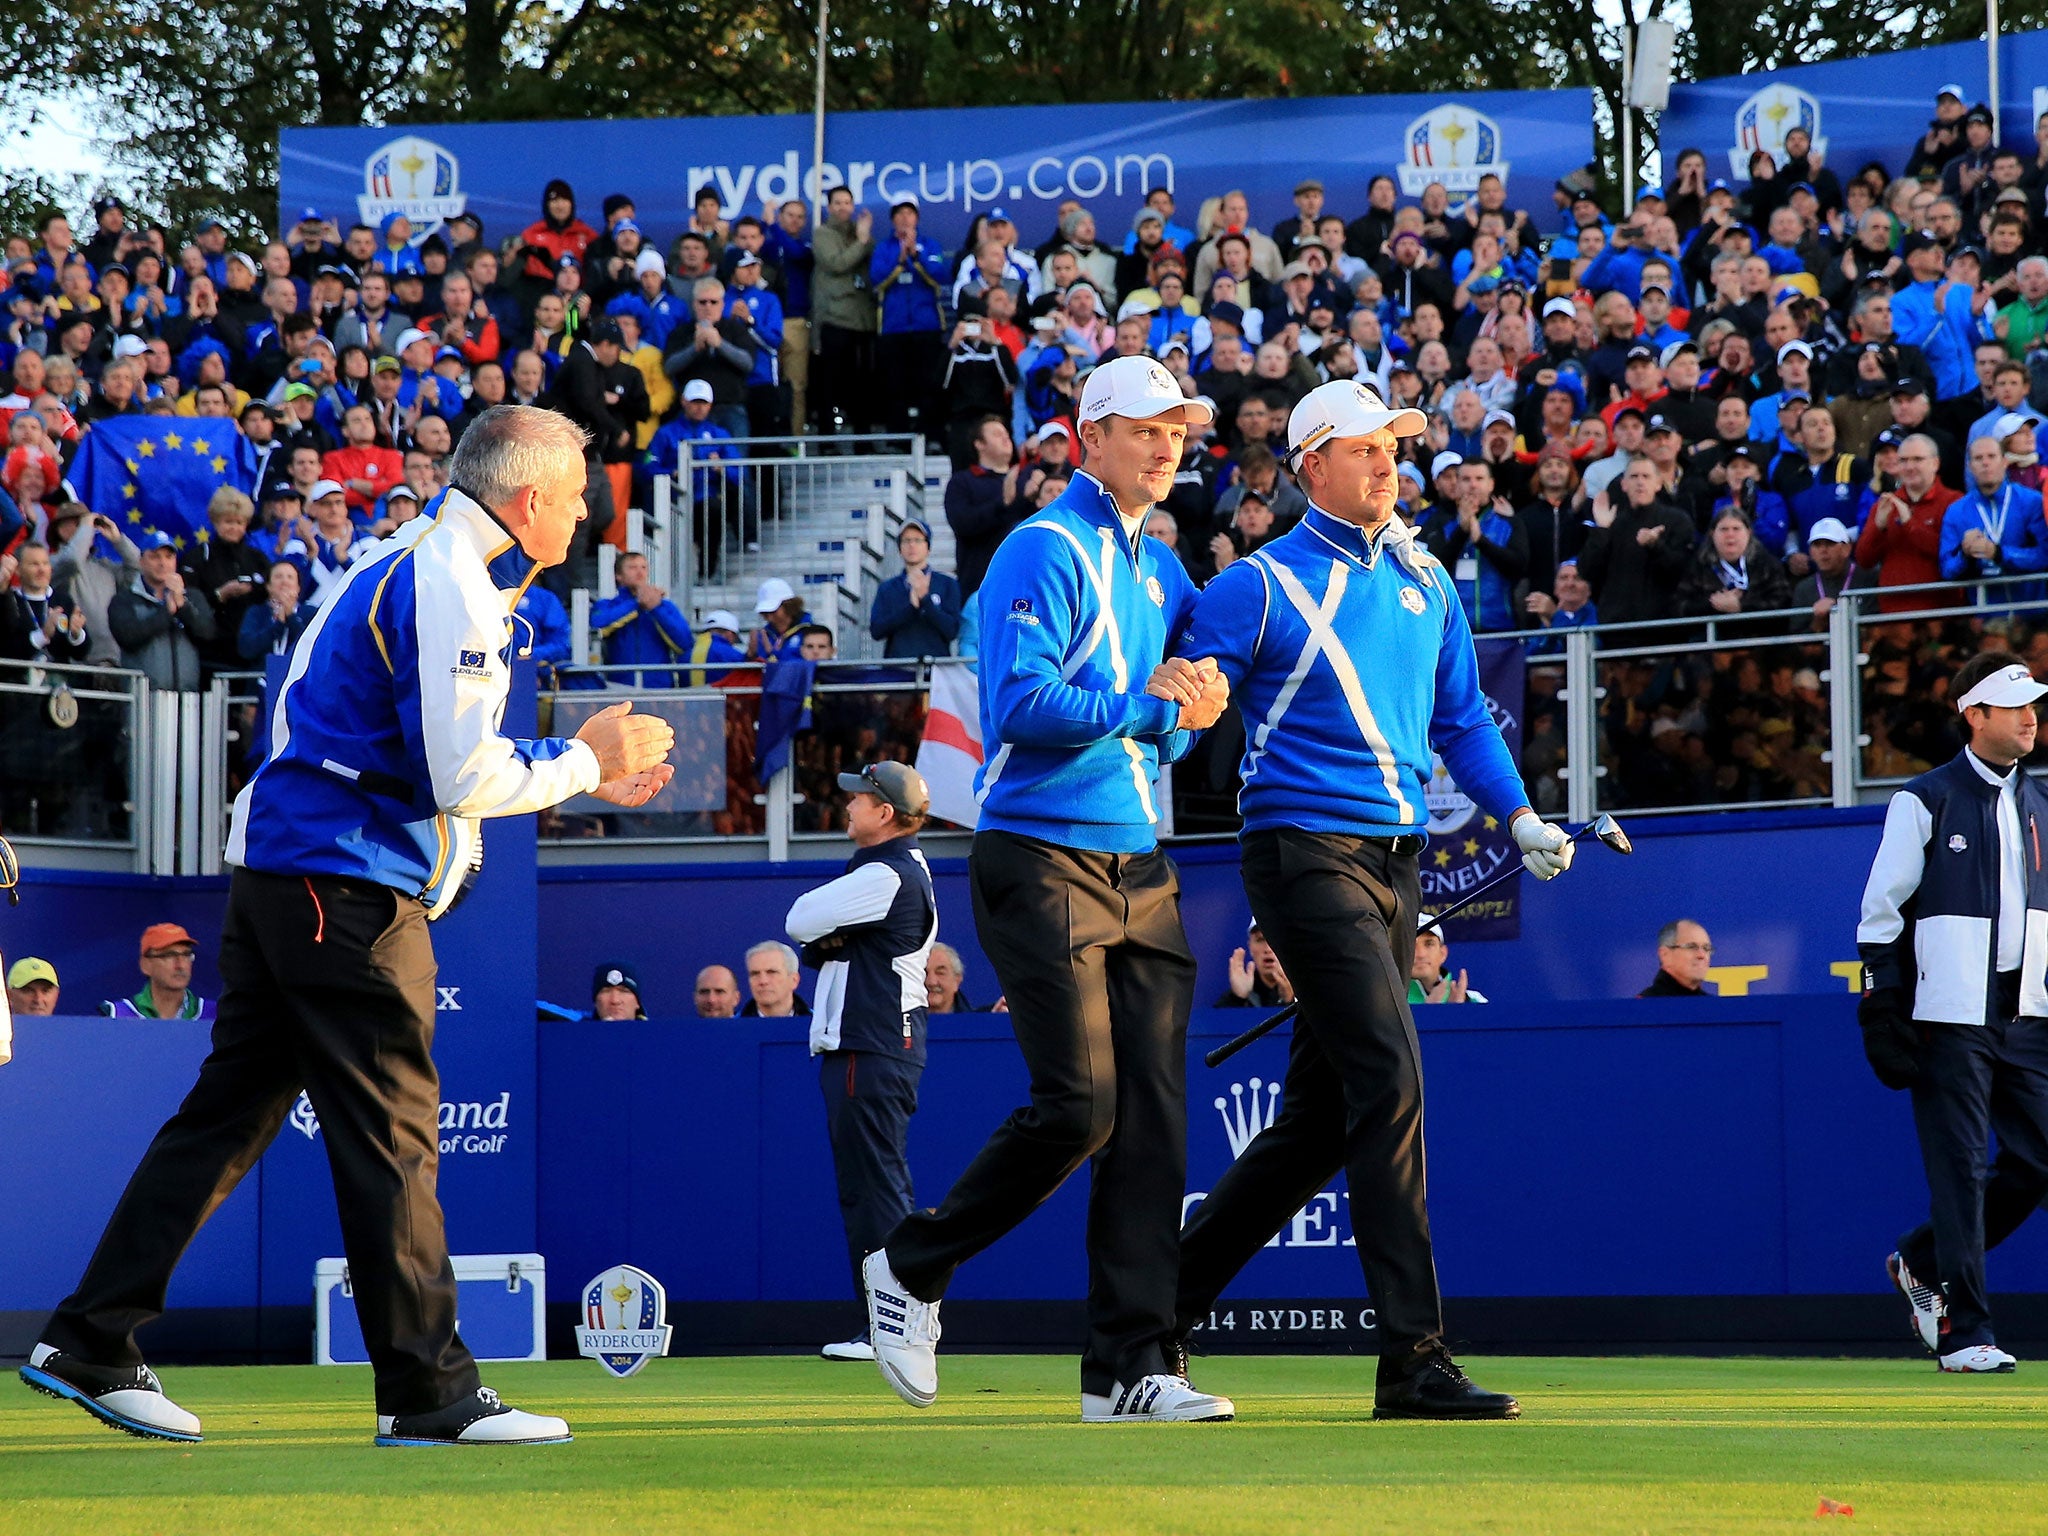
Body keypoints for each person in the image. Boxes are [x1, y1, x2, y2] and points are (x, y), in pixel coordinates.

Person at [22, 406, 676, 1448]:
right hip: (346, 888)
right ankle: (428, 1393)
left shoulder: (401, 554)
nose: (585, 506)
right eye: (574, 488)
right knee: (393, 1140)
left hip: (293, 872)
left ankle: (92, 1338)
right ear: (525, 499)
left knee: (226, 1123)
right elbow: (456, 772)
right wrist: (585, 763)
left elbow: (349, 740)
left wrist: (563, 775)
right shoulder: (453, 579)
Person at [1174, 379, 1566, 1422]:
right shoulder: (1253, 585)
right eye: (1361, 449)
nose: (1387, 463)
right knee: (1389, 1077)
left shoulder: (1425, 575)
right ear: (1308, 466)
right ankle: (1413, 1360)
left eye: (1392, 448)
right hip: (1299, 851)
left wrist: (1519, 816)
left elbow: (1463, 721)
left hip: (1396, 865)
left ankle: (1150, 1307)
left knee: (1313, 1125)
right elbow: (1181, 713)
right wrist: (1164, 713)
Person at [860, 355, 1235, 1424]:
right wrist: (1162, 711)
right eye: (1148, 429)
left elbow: (1206, 665)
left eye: (1179, 431)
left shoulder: (1159, 567)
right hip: (1034, 850)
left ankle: (1127, 1370)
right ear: (1088, 441)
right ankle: (912, 1263)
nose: (1169, 446)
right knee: (1079, 1105)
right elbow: (1021, 703)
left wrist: (1203, 685)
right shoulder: (1039, 546)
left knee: (1153, 1123)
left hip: (1137, 864)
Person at [1858, 653, 2048, 1374]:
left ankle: (1920, 1257)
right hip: (1946, 1017)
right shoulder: (1925, 797)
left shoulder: (2039, 807)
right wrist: (1883, 1004)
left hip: (2024, 1017)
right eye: (2014, 704)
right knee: (1961, 1171)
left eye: (2034, 704)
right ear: (1974, 715)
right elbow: (1881, 912)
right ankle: (1966, 1332)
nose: (2031, 716)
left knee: (2036, 1164)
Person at [784, 761, 938, 1365]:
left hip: (870, 1046)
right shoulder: (899, 866)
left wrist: (829, 935)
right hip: (877, 1047)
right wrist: (829, 936)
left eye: (861, 798)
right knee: (874, 1187)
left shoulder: (887, 870)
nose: (848, 804)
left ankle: (890, 1329)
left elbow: (799, 920)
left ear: (886, 814)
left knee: (875, 1191)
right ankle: (891, 1326)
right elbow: (812, 937)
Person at [109, 532, 215, 692]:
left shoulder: (192, 596)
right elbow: (127, 637)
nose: (162, 563)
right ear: (141, 561)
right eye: (155, 557)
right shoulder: (125, 599)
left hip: (187, 699)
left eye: (168, 557)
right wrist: (166, 612)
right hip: (141, 698)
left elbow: (207, 634)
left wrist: (182, 606)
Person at [869, 519, 963, 660]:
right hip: (897, 670)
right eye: (906, 541)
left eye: (918, 540)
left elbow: (952, 631)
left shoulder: (947, 584)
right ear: (900, 548)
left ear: (928, 547)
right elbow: (876, 631)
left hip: (936, 670)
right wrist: (911, 608)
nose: (912, 545)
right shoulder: (887, 588)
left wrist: (925, 599)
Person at [99, 923, 214, 1021]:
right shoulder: (117, 1015)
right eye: (169, 955)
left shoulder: (215, 1014)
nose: (180, 965)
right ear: (145, 965)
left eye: (186, 955)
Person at [1215, 921, 1293, 1008]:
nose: (1268, 949)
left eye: (1274, 939)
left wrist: (1291, 1000)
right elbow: (1215, 1020)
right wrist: (1238, 999)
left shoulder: (1305, 991)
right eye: (1260, 940)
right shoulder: (1237, 995)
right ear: (1250, 947)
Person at [1409, 926, 1485, 1004]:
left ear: (1443, 953)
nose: (1421, 954)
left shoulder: (1474, 1001)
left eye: (1429, 944)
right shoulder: (1396, 1005)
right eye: (1411, 945)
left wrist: (1457, 1011)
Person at [1639, 920, 1713, 997]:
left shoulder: (1713, 1006)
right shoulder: (1644, 1005)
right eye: (1691, 947)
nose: (1701, 955)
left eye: (1706, 948)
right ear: (1665, 955)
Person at [740, 941, 810, 1017]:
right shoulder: (731, 1027)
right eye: (755, 974)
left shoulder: (820, 1024)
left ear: (794, 980)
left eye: (771, 972)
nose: (763, 981)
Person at [925, 943, 974, 1014]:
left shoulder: (980, 1023)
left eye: (940, 973)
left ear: (957, 980)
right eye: (924, 973)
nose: (932, 982)